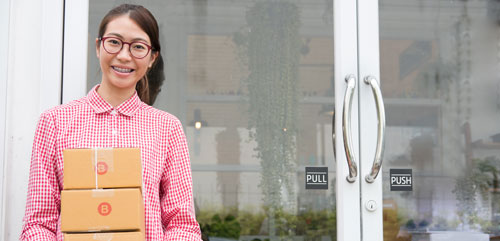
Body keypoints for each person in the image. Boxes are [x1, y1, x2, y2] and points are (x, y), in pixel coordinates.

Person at [20, 4, 202, 240]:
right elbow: (38, 223)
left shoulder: (167, 129)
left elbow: (182, 224)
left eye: (138, 47)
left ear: (152, 58)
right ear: (98, 47)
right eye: (114, 42)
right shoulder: (54, 122)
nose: (124, 56)